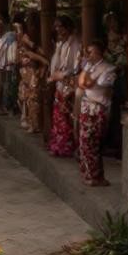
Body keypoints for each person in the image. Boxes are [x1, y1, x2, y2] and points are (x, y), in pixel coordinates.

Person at [75, 40, 117, 187]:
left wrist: (87, 78)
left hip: (98, 109)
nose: (88, 55)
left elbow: (91, 84)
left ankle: (97, 176)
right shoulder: (88, 66)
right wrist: (87, 72)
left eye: (91, 52)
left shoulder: (109, 68)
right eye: (87, 52)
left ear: (100, 52)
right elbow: (81, 83)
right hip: (86, 107)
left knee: (94, 143)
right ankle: (89, 175)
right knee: (84, 144)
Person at [46, 16, 82, 157]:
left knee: (68, 116)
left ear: (68, 27)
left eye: (60, 26)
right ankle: (59, 146)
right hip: (60, 84)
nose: (58, 29)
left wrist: (61, 75)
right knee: (59, 117)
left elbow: (75, 68)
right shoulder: (61, 44)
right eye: (56, 27)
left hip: (70, 84)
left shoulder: (75, 44)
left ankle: (68, 146)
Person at [16, 13, 45, 133]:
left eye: (32, 24)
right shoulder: (24, 37)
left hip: (35, 70)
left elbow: (41, 53)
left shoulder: (39, 37)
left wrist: (32, 53)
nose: (30, 26)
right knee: (24, 96)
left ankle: (35, 123)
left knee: (33, 97)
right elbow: (18, 56)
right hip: (25, 71)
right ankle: (28, 119)